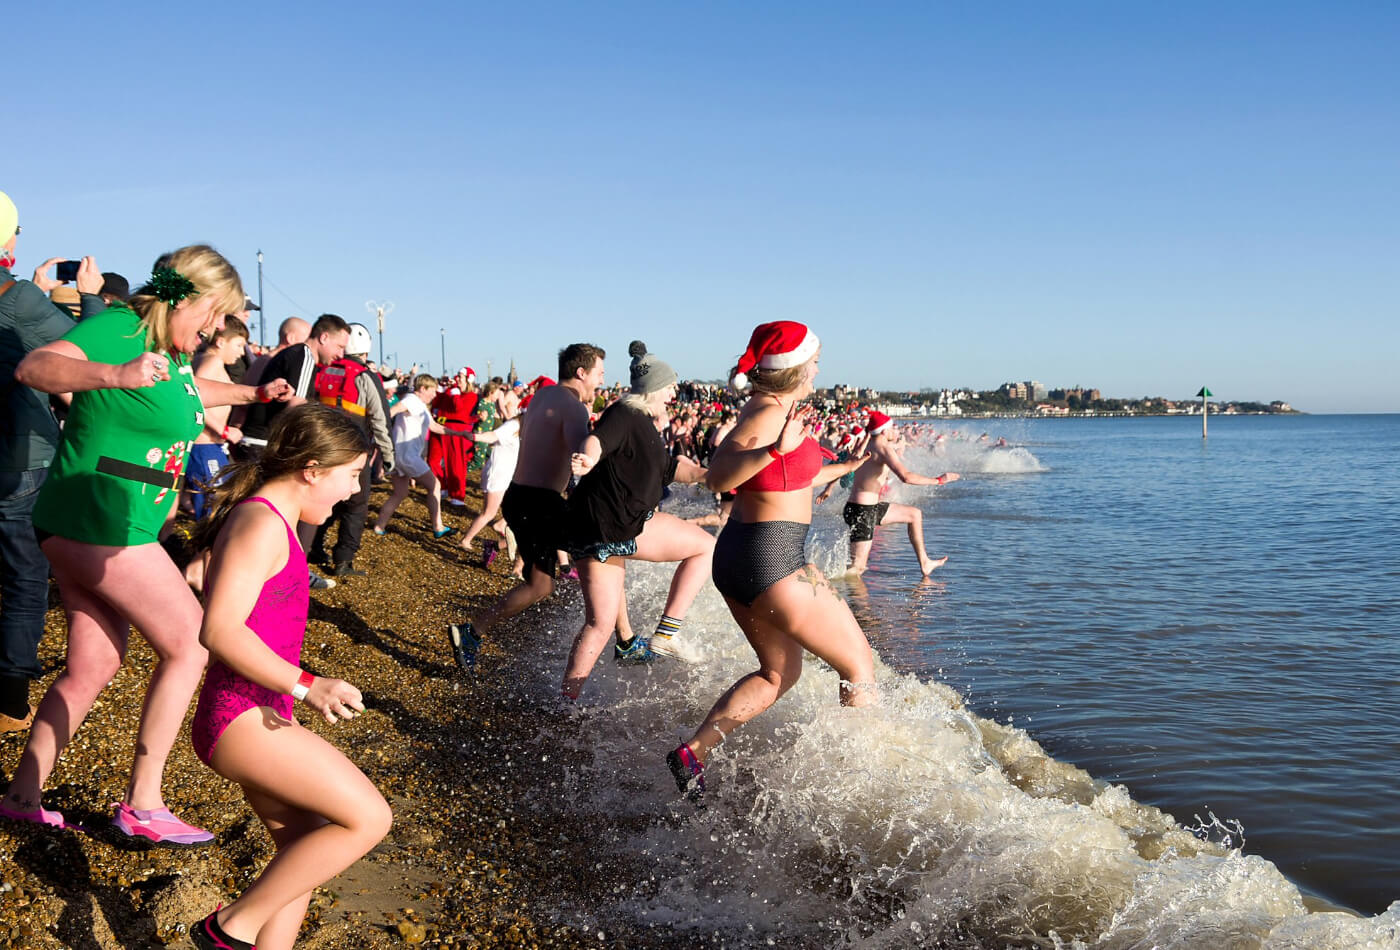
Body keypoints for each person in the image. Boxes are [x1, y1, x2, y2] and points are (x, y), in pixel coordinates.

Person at [0, 245, 294, 842]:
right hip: (98, 520)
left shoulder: (170, 351)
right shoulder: (119, 330)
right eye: (215, 313)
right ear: (186, 295)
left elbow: (187, 400)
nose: (216, 327)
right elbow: (35, 367)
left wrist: (253, 397)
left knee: (92, 665)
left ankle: (22, 796)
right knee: (192, 643)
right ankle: (143, 801)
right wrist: (113, 375)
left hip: (103, 522)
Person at [188, 403, 390, 950]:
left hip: (258, 714)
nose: (353, 492)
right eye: (351, 475)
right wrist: (308, 683)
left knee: (301, 853)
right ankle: (228, 929)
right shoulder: (260, 522)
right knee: (369, 819)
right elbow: (220, 631)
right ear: (312, 469)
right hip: (239, 719)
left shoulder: (271, 520)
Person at [667, 321, 871, 799]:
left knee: (779, 674)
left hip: (749, 555)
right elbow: (718, 477)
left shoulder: (777, 409)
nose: (819, 369)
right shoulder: (766, 417)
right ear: (795, 368)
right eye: (815, 361)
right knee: (859, 667)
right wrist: (775, 447)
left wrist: (846, 467)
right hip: (769, 557)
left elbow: (790, 472)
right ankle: (857, 790)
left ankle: (692, 754)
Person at [0, 191, 104, 733]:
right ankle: (11, 700)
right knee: (24, 578)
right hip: (19, 457)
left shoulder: (19, 294)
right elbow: (89, 353)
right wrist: (89, 298)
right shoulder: (16, 297)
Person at [561, 342, 713, 698]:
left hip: (628, 524)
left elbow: (672, 468)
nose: (675, 392)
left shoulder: (644, 423)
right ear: (655, 388)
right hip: (603, 529)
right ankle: (564, 702)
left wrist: (714, 476)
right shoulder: (624, 415)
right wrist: (587, 460)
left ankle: (650, 639)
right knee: (599, 624)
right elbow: (597, 442)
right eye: (671, 385)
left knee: (705, 545)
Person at [447, 345, 604, 671]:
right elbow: (582, 458)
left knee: (541, 584)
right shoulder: (573, 407)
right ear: (581, 372)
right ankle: (614, 631)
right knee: (600, 546)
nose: (601, 380)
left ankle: (473, 631)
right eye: (599, 373)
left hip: (519, 495)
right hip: (539, 501)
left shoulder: (543, 396)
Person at [238, 312, 349, 589]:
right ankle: (280, 573)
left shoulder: (296, 355)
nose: (340, 354)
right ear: (323, 337)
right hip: (264, 443)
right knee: (276, 510)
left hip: (257, 440)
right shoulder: (305, 356)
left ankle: (274, 571)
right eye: (339, 346)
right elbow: (296, 406)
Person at [306, 322, 395, 577]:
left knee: (324, 500)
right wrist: (389, 456)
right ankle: (343, 560)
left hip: (323, 446)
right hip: (354, 449)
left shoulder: (323, 369)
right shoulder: (365, 376)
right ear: (365, 350)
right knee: (356, 506)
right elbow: (380, 419)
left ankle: (311, 546)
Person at [843, 410, 959, 575]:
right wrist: (938, 480)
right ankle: (824, 593)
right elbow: (906, 477)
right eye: (892, 428)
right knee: (857, 568)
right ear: (884, 431)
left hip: (864, 508)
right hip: (863, 511)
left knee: (914, 514)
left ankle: (925, 562)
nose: (895, 431)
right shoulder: (882, 447)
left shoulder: (867, 443)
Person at [374, 373, 468, 538]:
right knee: (435, 486)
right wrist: (379, 431)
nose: (434, 395)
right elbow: (391, 411)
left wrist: (458, 433)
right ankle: (438, 527)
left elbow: (434, 427)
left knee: (400, 493)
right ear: (422, 389)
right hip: (407, 455)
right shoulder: (411, 400)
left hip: (398, 455)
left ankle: (379, 527)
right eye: (432, 391)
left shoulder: (420, 404)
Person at [187, 316, 250, 521]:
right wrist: (224, 431)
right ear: (220, 341)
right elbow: (194, 399)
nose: (242, 352)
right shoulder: (212, 361)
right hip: (205, 447)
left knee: (218, 507)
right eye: (239, 345)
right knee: (213, 512)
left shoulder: (201, 359)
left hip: (210, 447)